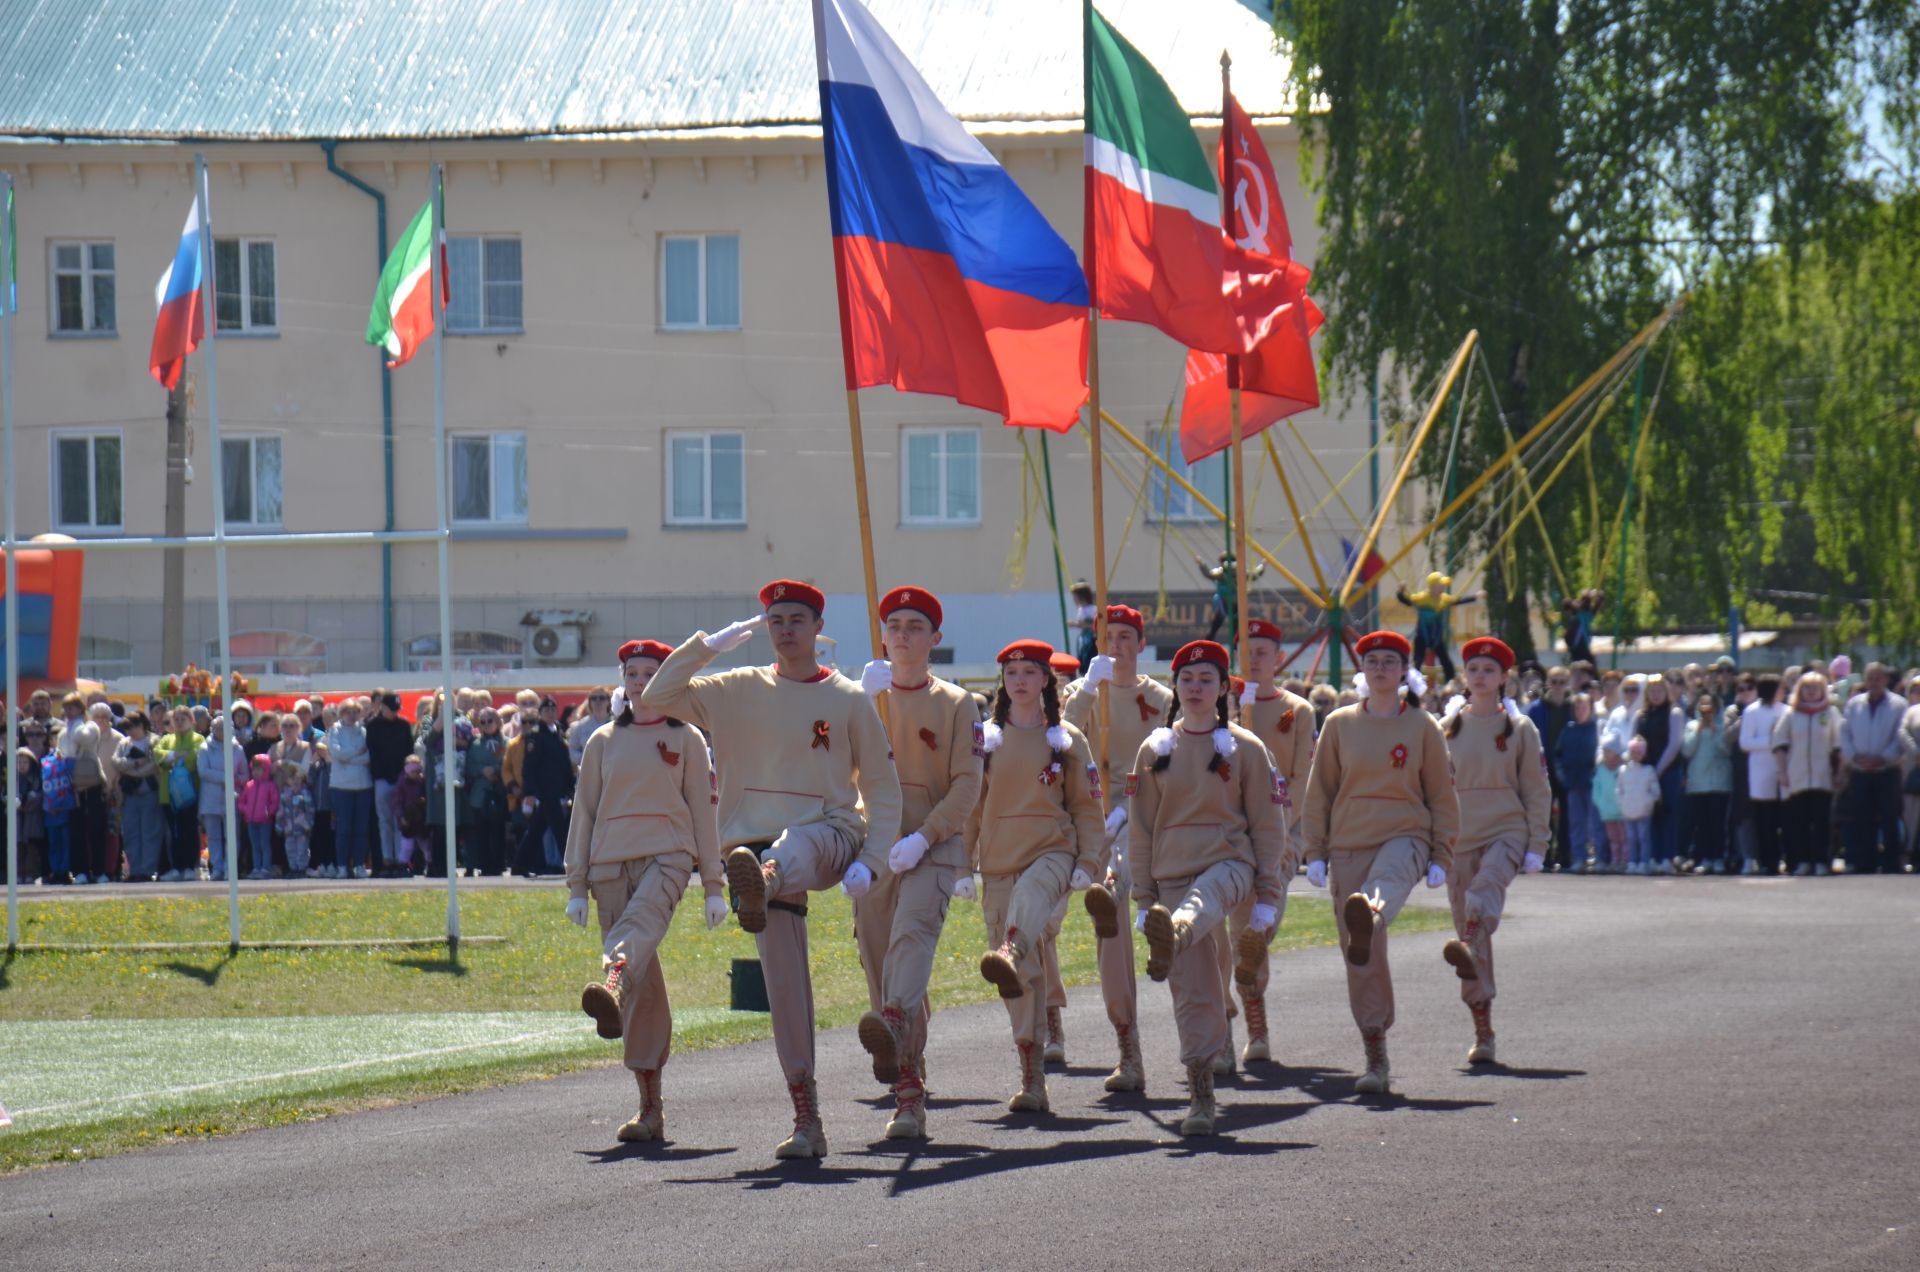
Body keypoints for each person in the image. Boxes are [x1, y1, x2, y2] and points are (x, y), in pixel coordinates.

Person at [640, 579, 901, 1160]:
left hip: (829, 835)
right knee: (785, 988)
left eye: (796, 619)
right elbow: (656, 698)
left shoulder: (850, 698)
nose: (785, 629)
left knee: (794, 846)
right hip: (752, 853)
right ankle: (807, 1117)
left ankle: (765, 879)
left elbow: (883, 792)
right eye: (775, 619)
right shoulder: (735, 688)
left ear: (817, 630)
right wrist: (705, 645)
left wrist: (875, 861)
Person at [565, 639, 728, 1144]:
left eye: (650, 673)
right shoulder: (602, 741)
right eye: (632, 673)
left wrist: (713, 885)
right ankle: (650, 1108)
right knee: (645, 990)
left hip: (669, 856)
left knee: (631, 949)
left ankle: (612, 976)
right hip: (608, 866)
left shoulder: (689, 739)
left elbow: (704, 810)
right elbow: (584, 813)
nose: (640, 682)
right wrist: (575, 884)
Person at [1128, 640, 1286, 1134]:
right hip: (1172, 874)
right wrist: (1144, 898)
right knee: (1193, 991)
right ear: (1175, 687)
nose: (1195, 688)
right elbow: (1141, 829)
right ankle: (1201, 1095)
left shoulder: (1247, 748)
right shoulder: (1155, 749)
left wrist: (1268, 896)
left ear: (1222, 689)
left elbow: (1267, 826)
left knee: (1206, 898)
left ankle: (1175, 930)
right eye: (1187, 679)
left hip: (1229, 868)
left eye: (1206, 679)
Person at [1297, 629, 1458, 1095]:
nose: (1381, 667)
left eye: (1390, 660)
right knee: (1362, 957)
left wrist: (1441, 853)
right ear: (1363, 670)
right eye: (1373, 661)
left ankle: (1370, 910)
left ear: (1404, 671)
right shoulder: (1340, 724)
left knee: (1379, 894)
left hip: (1405, 835)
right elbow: (1319, 792)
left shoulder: (1424, 726)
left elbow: (1442, 795)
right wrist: (1315, 852)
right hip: (1348, 844)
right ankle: (1375, 1052)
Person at [851, 587, 983, 1140]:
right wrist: (853, 703)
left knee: (909, 946)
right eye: (894, 625)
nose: (903, 635)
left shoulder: (957, 704)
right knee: (881, 965)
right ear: (882, 636)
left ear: (935, 639)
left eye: (915, 626)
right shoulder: (859, 699)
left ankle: (906, 1093)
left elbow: (967, 784)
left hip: (932, 847)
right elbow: (831, 770)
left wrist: (926, 837)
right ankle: (909, 1069)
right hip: (876, 846)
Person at [970, 639, 1105, 1116]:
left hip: (1052, 854)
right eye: (1012, 673)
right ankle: (1032, 1077)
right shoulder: (985, 738)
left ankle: (1010, 947)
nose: (1021, 680)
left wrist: (1089, 862)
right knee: (1020, 978)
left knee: (1022, 926)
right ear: (1003, 682)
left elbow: (1088, 808)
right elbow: (972, 807)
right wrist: (964, 864)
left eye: (1030, 671)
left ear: (1047, 679)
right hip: (999, 862)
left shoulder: (1066, 738)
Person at [1062, 604, 1173, 1089]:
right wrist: (1089, 687)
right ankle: (1127, 1046)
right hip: (1091, 819)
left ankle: (1219, 1030)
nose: (1117, 644)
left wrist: (1131, 802)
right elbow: (1061, 734)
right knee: (1109, 931)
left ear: (1141, 644)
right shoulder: (1081, 692)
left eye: (1127, 636)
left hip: (1145, 815)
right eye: (1109, 635)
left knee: (1184, 928)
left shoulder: (1162, 697)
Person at [1438, 637, 1549, 1064]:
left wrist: (1537, 843)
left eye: (1489, 669)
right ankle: (1483, 1031)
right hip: (1459, 837)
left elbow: (1537, 789)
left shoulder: (1520, 729)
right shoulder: (1446, 727)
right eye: (1474, 668)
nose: (1480, 676)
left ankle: (1467, 936)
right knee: (1474, 948)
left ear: (1505, 678)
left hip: (1506, 830)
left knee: (1481, 895)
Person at [1221, 617, 1314, 1064]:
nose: (1253, 660)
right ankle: (1255, 1028)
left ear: (1278, 659)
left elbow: (1300, 777)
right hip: (1232, 836)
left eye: (1262, 652)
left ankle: (1250, 1004)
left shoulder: (1298, 710)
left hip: (1280, 832)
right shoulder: (1224, 704)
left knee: (1263, 923)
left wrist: (1272, 825)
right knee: (1242, 932)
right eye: (1246, 651)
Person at [1772, 671, 1842, 876]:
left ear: (1823, 690)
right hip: (1798, 776)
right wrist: (1783, 772)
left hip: (1823, 777)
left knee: (1822, 822)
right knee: (1799, 822)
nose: (1811, 692)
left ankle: (1821, 860)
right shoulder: (1791, 714)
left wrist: (1839, 773)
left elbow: (1839, 746)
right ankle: (1803, 861)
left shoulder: (1830, 713)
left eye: (1815, 688)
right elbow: (1779, 744)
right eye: (1807, 688)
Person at [1839, 663, 1905, 875]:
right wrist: (1856, 757)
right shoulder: (1854, 704)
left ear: (1886, 680)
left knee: (1889, 817)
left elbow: (1900, 736)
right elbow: (1845, 734)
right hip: (1860, 770)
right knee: (1862, 818)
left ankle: (1891, 863)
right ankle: (1864, 862)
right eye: (1870, 678)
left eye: (1878, 678)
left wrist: (1884, 758)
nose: (1874, 682)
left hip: (1887, 770)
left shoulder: (1898, 705)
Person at [517, 697, 575, 878]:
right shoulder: (536, 734)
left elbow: (564, 764)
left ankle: (520, 864)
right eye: (546, 710)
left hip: (557, 789)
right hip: (545, 790)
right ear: (540, 713)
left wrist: (569, 786)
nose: (550, 713)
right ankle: (571, 866)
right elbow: (529, 766)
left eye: (553, 710)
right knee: (559, 829)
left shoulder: (558, 732)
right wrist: (530, 792)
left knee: (537, 829)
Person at [1635, 675, 1687, 874]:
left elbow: (1674, 745)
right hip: (1645, 772)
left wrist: (1658, 769)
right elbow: (1635, 741)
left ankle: (1667, 857)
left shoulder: (1674, 713)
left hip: (1668, 771)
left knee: (1668, 814)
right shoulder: (1641, 715)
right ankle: (1653, 857)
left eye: (1659, 690)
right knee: (1650, 815)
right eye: (1652, 690)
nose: (1656, 694)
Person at [1525, 665, 1576, 870]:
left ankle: (1565, 855)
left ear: (1568, 684)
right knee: (1544, 814)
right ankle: (1544, 856)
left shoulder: (1573, 707)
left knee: (1568, 814)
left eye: (1562, 682)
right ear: (1548, 683)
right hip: (1544, 767)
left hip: (1567, 766)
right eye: (1554, 682)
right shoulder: (1537, 708)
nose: (1557, 686)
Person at [54, 692, 108, 884]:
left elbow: (84, 739)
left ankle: (99, 870)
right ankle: (81, 870)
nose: (69, 712)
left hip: (91, 783)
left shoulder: (90, 726)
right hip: (72, 785)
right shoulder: (62, 732)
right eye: (66, 708)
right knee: (76, 830)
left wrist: (75, 724)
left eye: (73, 708)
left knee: (96, 828)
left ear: (81, 709)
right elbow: (62, 753)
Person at [1393, 572, 1484, 683]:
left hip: (1436, 637)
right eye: (1440, 585)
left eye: (1443, 585)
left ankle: (1451, 683)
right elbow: (1405, 601)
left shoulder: (1444, 599)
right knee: (1418, 660)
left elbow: (1459, 601)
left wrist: (1476, 597)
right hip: (1422, 635)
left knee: (1447, 662)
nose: (1443, 587)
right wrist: (1400, 591)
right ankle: (1410, 683)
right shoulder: (1422, 598)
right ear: (1432, 586)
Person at [1680, 693, 1733, 873]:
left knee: (1718, 824)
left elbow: (1726, 750)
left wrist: (1715, 731)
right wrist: (1699, 730)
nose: (1707, 709)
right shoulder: (1691, 726)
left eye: (1710, 706)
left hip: (1719, 782)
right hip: (1698, 783)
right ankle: (1704, 858)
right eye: (1703, 705)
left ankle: (1718, 857)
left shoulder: (1723, 725)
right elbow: (1687, 751)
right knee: (1701, 824)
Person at [365, 691, 414, 875]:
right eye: (391, 709)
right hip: (381, 780)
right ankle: (388, 858)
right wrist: (383, 775)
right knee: (385, 821)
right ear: (382, 707)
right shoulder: (373, 726)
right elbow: (373, 753)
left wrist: (403, 775)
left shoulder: (403, 725)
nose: (394, 713)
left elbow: (409, 751)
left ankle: (401, 859)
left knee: (399, 821)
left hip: (401, 779)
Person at [112, 712, 165, 883]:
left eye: (135, 726)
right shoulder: (123, 743)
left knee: (150, 831)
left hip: (149, 791)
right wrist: (135, 765)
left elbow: (153, 764)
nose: (132, 731)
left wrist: (133, 771)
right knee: (131, 832)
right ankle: (134, 870)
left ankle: (147, 870)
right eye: (128, 727)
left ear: (143, 725)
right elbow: (116, 762)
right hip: (129, 794)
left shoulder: (154, 741)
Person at [154, 707, 204, 881]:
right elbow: (158, 755)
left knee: (189, 830)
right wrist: (176, 755)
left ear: (192, 721)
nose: (180, 723)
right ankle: (176, 866)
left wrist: (174, 759)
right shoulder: (167, 739)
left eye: (184, 719)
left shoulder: (198, 739)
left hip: (189, 794)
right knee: (174, 832)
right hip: (169, 795)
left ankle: (191, 866)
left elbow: (194, 758)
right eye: (177, 719)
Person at [326, 699, 374, 879]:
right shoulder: (335, 731)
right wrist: (357, 753)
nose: (352, 716)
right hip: (341, 786)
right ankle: (342, 866)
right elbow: (337, 753)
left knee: (361, 828)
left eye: (355, 712)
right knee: (343, 828)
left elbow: (368, 755)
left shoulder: (364, 731)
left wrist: (350, 757)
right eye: (348, 712)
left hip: (363, 785)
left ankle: (360, 864)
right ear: (342, 713)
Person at [196, 717, 245, 879]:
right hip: (210, 799)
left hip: (232, 798)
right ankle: (217, 868)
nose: (222, 731)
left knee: (232, 836)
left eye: (226, 728)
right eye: (219, 728)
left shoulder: (237, 749)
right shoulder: (205, 748)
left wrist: (236, 780)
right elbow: (203, 771)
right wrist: (225, 777)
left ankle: (230, 868)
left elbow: (245, 774)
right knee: (214, 836)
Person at [1557, 693, 1599, 872]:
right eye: (1577, 708)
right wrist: (1562, 775)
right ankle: (1579, 858)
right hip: (1572, 783)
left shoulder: (1596, 728)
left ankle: (1598, 857)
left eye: (1584, 707)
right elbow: (1557, 755)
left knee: (1594, 823)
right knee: (1576, 823)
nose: (1581, 711)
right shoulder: (1567, 729)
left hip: (1592, 783)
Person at [1197, 552, 1265, 644]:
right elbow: (1255, 574)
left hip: (1225, 602)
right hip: (1237, 603)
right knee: (1234, 629)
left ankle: (1207, 645)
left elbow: (1208, 574)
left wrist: (1201, 563)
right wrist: (1263, 564)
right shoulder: (1240, 571)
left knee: (1215, 627)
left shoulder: (1222, 572)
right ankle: (1235, 648)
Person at [1616, 737, 1660, 874]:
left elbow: (1655, 791)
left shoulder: (1648, 770)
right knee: (1631, 838)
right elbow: (1618, 789)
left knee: (1643, 838)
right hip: (1628, 811)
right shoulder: (1623, 771)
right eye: (1633, 752)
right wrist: (1622, 802)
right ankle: (1632, 861)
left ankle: (1644, 862)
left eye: (1639, 752)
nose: (1636, 755)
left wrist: (1648, 801)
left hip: (1643, 811)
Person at [238, 754, 280, 880]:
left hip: (265, 821)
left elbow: (275, 801)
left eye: (259, 769)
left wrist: (269, 812)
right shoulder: (249, 785)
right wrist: (247, 811)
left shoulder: (270, 785)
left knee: (265, 845)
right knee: (255, 845)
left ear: (266, 770)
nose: (256, 772)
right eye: (254, 769)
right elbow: (241, 801)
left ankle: (265, 868)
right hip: (251, 821)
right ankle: (256, 867)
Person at [1592, 738, 1626, 872]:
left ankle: (1625, 861)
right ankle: (1615, 860)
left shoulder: (1623, 769)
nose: (1606, 754)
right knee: (1613, 839)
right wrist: (1601, 804)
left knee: (1624, 838)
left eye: (1609, 751)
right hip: (1607, 812)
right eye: (1604, 751)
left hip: (1622, 811)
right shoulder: (1600, 770)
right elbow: (1596, 790)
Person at [568, 687, 614, 770]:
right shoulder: (580, 726)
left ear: (608, 701)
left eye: (602, 698)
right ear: (589, 702)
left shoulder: (616, 724)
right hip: (588, 771)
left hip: (611, 771)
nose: (598, 701)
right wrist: (587, 759)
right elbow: (572, 751)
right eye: (594, 698)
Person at [1069, 581, 1098, 673]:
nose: (1074, 599)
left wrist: (1074, 624)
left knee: (1087, 657)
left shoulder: (1088, 609)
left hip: (1089, 639)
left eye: (1075, 596)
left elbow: (1089, 624)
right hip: (1086, 638)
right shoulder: (1090, 609)